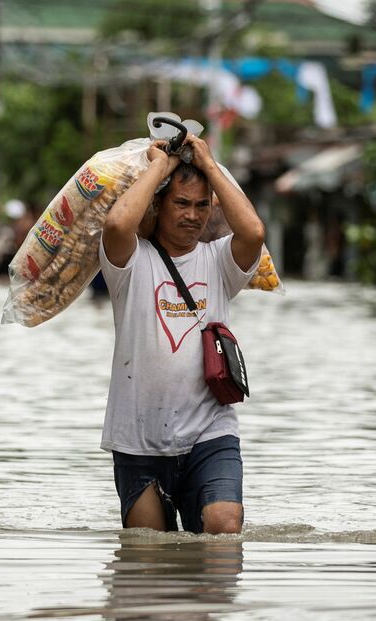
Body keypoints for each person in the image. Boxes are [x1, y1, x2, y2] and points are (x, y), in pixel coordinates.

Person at [98, 133, 265, 535]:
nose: (192, 215)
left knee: (224, 529)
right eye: (181, 203)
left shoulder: (219, 261)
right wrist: (161, 166)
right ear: (159, 203)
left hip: (211, 432)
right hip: (137, 438)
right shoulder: (130, 261)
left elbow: (254, 233)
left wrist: (208, 163)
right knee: (148, 558)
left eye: (202, 206)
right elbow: (118, 222)